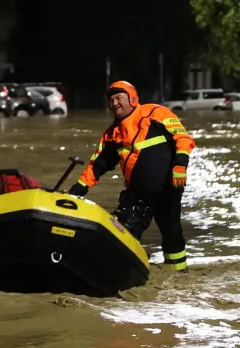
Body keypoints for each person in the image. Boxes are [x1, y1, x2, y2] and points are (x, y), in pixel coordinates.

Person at [69, 80, 195, 271]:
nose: (114, 103)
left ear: (133, 98)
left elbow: (183, 139)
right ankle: (120, 272)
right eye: (111, 100)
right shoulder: (112, 134)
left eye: (119, 98)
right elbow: (97, 165)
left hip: (167, 187)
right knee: (122, 232)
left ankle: (179, 274)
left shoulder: (156, 113)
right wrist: (77, 190)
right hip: (137, 194)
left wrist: (180, 165)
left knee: (171, 232)